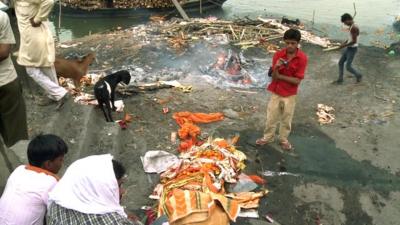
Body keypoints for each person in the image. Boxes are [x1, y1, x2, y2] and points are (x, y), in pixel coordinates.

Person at [47, 154, 140, 225]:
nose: (122, 191)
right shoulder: (113, 222)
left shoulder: (56, 203)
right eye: (118, 186)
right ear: (98, 189)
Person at [256, 29, 308, 151]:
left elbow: (297, 81)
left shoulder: (302, 58)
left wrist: (280, 76)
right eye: (288, 43)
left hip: (290, 93)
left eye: (293, 43)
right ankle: (268, 137)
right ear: (284, 41)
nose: (290, 46)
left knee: (286, 118)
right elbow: (273, 77)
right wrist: (277, 68)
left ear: (298, 43)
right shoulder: (278, 55)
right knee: (271, 117)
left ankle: (283, 139)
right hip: (276, 91)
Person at [0, 134, 68, 225]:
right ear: (48, 164)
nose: (62, 162)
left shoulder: (20, 170)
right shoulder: (50, 182)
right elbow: (63, 211)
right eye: (60, 159)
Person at [14, 0, 69, 109]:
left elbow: (49, 1)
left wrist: (37, 19)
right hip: (31, 38)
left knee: (31, 69)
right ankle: (55, 95)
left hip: (35, 38)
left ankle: (59, 93)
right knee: (46, 66)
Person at [0, 10, 28, 147]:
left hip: (6, 82)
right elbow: (4, 51)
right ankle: (20, 166)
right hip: (6, 81)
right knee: (16, 135)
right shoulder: (1, 16)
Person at [333, 13, 362, 84]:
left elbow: (354, 41)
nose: (345, 24)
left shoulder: (354, 28)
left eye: (345, 22)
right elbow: (350, 38)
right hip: (349, 48)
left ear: (348, 19)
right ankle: (340, 80)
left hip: (352, 49)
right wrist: (344, 42)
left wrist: (343, 46)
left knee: (348, 67)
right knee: (341, 62)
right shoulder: (351, 26)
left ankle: (358, 75)